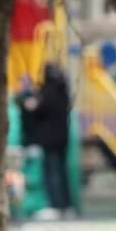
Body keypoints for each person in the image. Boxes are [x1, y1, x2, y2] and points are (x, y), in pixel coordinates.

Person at [21, 64, 73, 218]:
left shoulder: (47, 93)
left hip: (49, 141)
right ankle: (66, 206)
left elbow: (34, 108)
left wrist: (27, 97)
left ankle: (55, 206)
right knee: (61, 173)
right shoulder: (63, 93)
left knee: (51, 173)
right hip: (62, 139)